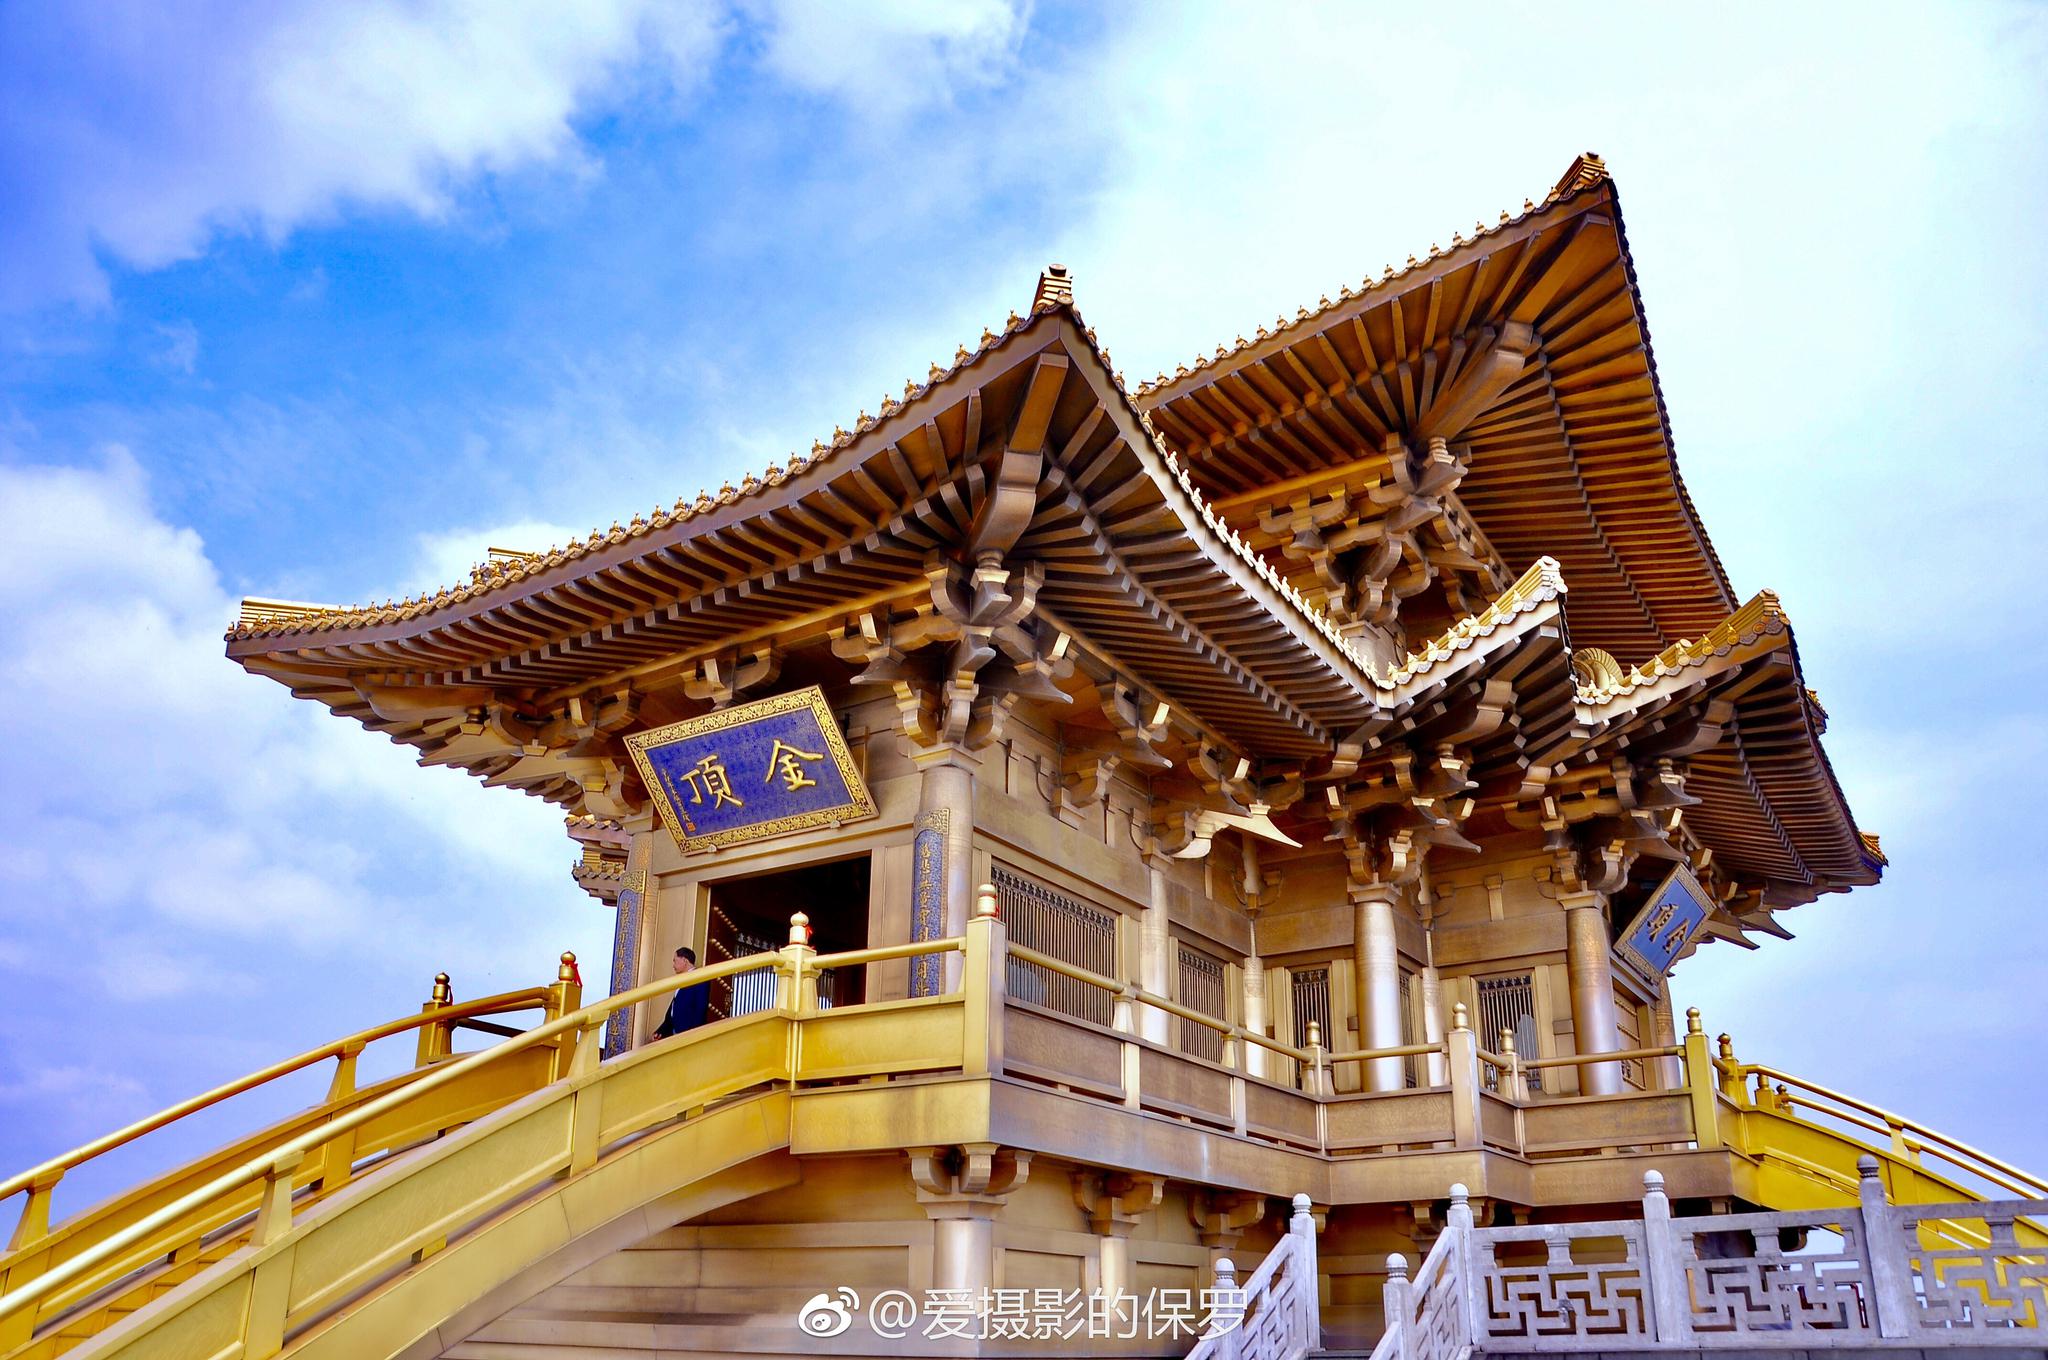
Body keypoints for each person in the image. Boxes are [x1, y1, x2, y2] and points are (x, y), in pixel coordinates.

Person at [649, 945, 711, 1040]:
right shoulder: (681, 980)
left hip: (688, 1038)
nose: (673, 965)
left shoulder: (700, 979)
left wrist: (692, 1037)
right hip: (676, 1036)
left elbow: (700, 1010)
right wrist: (661, 1031)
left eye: (675, 961)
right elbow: (673, 1012)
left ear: (684, 960)